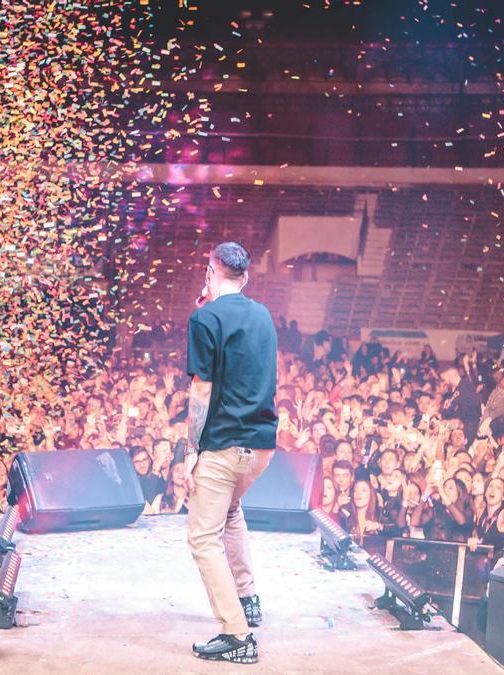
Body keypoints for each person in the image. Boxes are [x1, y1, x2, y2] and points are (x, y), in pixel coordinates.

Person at [184, 242, 277, 664]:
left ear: (210, 272)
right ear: (246, 277)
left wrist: (191, 452)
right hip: (260, 448)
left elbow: (202, 388)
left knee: (203, 537)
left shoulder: (204, 318)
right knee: (232, 510)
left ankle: (237, 634)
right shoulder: (263, 315)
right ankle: (247, 596)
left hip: (223, 445)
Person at [131, 446, 166, 514]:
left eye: (144, 460)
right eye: (137, 462)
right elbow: (148, 499)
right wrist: (155, 470)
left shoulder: (159, 476)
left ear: (149, 460)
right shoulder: (132, 483)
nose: (142, 465)